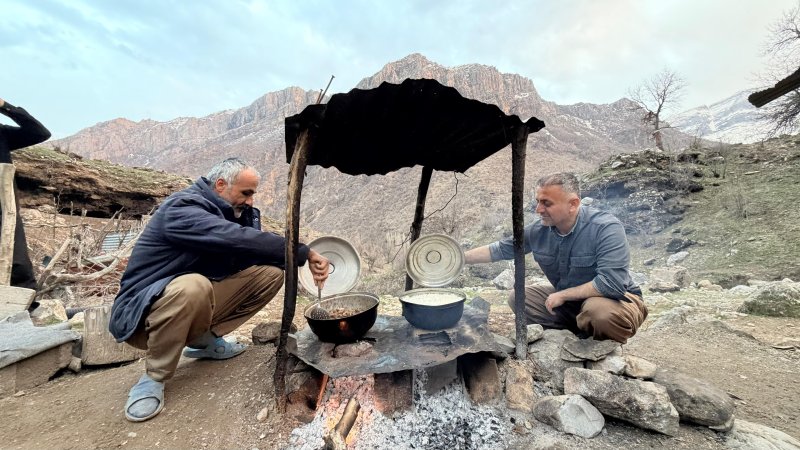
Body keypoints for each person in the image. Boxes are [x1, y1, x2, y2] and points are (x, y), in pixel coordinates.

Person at [109, 157, 330, 423]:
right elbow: (235, 238)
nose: (250, 201)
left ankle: (204, 341)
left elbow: (250, 251)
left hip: (191, 302)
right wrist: (302, 251)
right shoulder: (182, 208)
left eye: (253, 195)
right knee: (193, 286)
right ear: (221, 185)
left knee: (270, 275)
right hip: (143, 315)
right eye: (246, 193)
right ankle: (153, 378)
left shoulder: (233, 211)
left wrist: (299, 261)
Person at [464, 172, 647, 344]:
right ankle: (576, 334)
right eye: (537, 202)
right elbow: (500, 249)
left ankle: (603, 348)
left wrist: (563, 294)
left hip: (618, 300)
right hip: (571, 303)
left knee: (598, 312)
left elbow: (612, 284)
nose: (538, 209)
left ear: (573, 204)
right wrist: (458, 259)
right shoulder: (538, 230)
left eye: (547, 203)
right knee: (519, 297)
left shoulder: (605, 228)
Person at [0, 98, 51, 291]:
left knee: (18, 264)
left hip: (5, 212)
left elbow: (39, 133)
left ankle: (26, 311)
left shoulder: (2, 134)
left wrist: (5, 106)